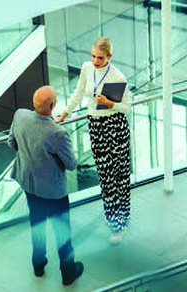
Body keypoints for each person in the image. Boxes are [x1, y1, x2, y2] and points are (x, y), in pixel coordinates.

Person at [56, 37, 131, 243]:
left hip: (115, 126)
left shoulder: (117, 76)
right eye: (93, 56)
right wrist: (64, 113)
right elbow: (79, 92)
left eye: (100, 57)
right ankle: (113, 217)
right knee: (105, 176)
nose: (95, 61)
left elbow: (126, 107)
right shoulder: (87, 68)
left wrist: (109, 102)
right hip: (96, 126)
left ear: (109, 57)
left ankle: (121, 223)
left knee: (119, 175)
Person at [8, 86, 84, 285]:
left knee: (37, 224)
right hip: (54, 192)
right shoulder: (57, 133)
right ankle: (68, 273)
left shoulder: (20, 116)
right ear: (52, 105)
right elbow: (71, 164)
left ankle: (38, 265)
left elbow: (12, 144)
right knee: (62, 232)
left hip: (30, 186)